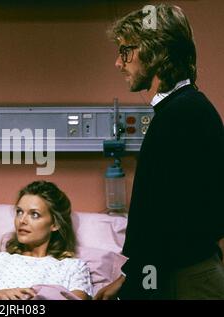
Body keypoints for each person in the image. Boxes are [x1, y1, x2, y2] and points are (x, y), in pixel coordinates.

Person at [95, 4, 224, 300]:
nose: (118, 62)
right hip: (184, 272)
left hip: (186, 279)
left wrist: (135, 281)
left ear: (155, 52)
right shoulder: (184, 110)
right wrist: (130, 276)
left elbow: (163, 224)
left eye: (126, 51)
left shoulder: (181, 116)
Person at [0, 180, 93, 300]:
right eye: (19, 212)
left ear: (55, 224)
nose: (22, 220)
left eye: (34, 214)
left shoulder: (72, 268)